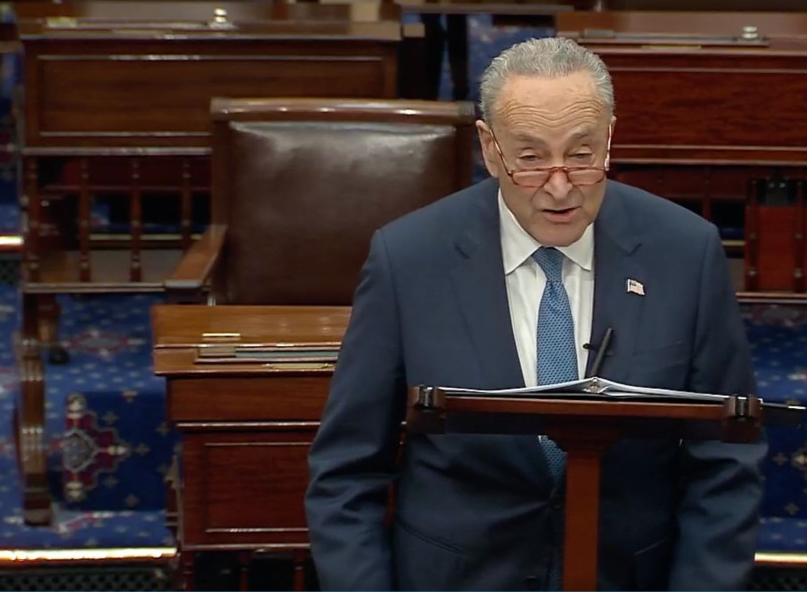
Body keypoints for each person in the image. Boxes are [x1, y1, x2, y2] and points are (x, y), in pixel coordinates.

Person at [305, 36, 765, 591]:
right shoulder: (409, 259)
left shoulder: (685, 252)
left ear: (610, 138)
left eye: (582, 155)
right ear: (489, 148)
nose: (560, 186)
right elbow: (347, 472)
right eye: (530, 159)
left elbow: (726, 462)